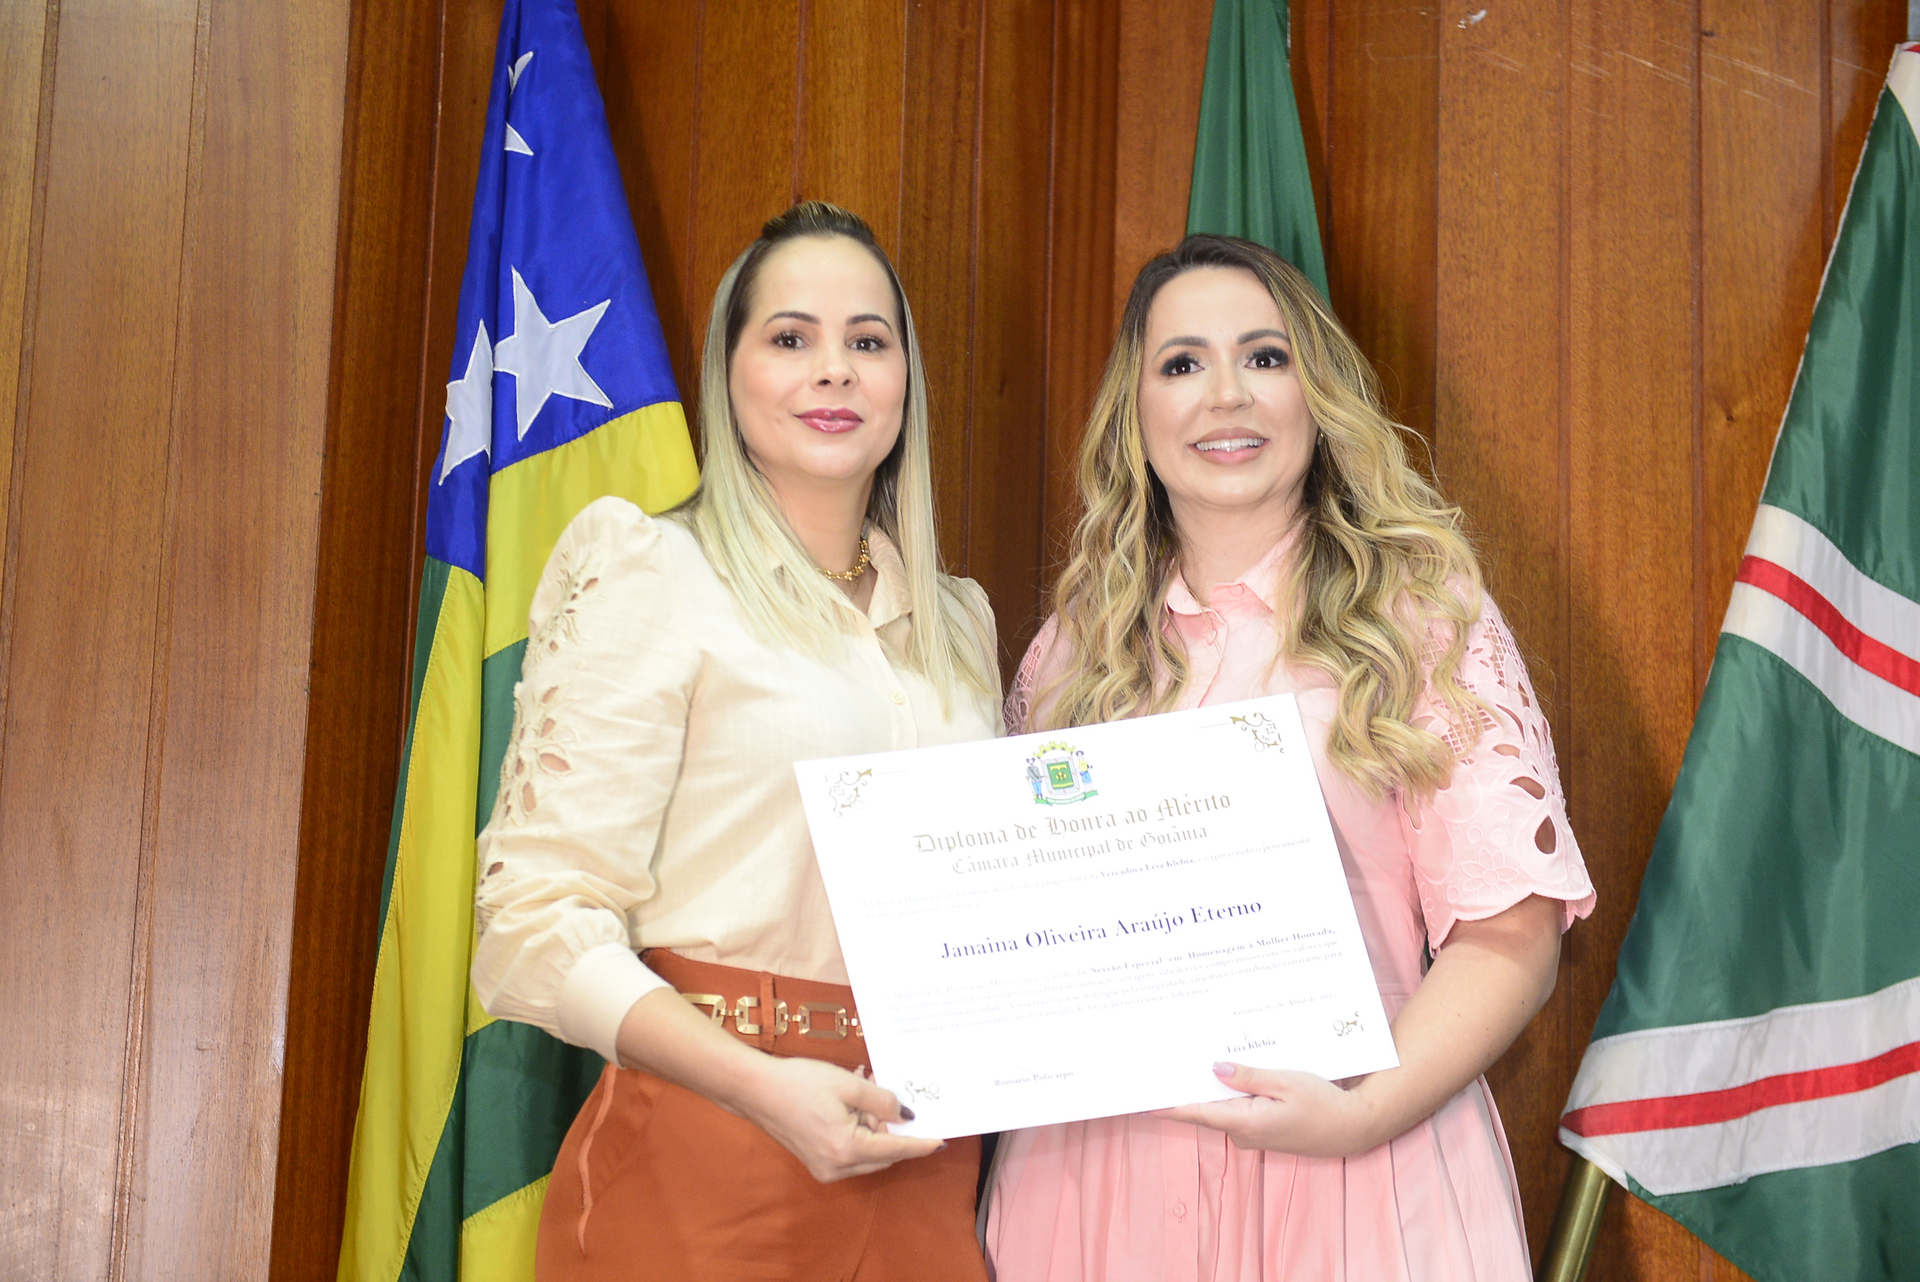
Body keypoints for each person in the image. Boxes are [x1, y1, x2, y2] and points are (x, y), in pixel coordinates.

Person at [985, 235, 1596, 1281]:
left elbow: (1514, 930)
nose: (1226, 394)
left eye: (1265, 357)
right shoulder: (1070, 652)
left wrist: (1363, 1116)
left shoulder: (1419, 621)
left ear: (1317, 395)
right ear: (1135, 411)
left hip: (1357, 1166)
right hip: (1092, 1189)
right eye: (1183, 363)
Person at [470, 202, 1002, 1282]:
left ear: (905, 381)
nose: (835, 369)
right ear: (729, 371)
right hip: (708, 1136)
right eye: (791, 337)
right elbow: (530, 925)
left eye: (867, 340)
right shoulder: (653, 568)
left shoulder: (964, 623)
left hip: (926, 1151)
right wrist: (761, 1086)